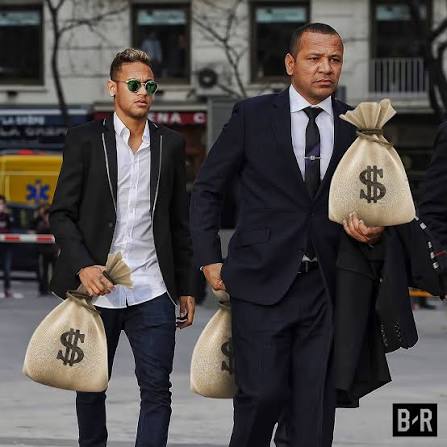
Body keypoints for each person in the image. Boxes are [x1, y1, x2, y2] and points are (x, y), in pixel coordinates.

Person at [190, 23, 384, 447]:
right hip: (260, 281)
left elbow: (373, 200)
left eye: (334, 59)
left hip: (327, 286)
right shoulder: (252, 116)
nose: (326, 68)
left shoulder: (356, 127)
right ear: (291, 63)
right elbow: (207, 189)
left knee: (313, 416)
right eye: (315, 58)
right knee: (262, 397)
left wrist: (372, 230)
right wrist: (208, 257)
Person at [49, 48, 196, 447]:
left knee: (157, 389)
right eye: (134, 84)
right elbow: (61, 214)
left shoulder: (170, 144)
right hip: (97, 290)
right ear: (113, 88)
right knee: (90, 385)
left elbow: (179, 223)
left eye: (150, 85)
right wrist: (83, 266)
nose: (143, 92)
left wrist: (187, 287)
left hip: (153, 288)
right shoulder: (84, 140)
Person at [34, 204, 58, 296]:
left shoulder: (55, 225)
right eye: (46, 216)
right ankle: (43, 289)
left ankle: (53, 289)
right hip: (43, 252)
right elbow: (39, 231)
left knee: (54, 272)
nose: (48, 218)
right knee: (43, 272)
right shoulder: (41, 225)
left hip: (53, 252)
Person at [0, 195, 13, 298]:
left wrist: (6, 215)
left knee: (7, 269)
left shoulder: (8, 216)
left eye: (1, 204)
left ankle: (7, 289)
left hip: (6, 247)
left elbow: (11, 228)